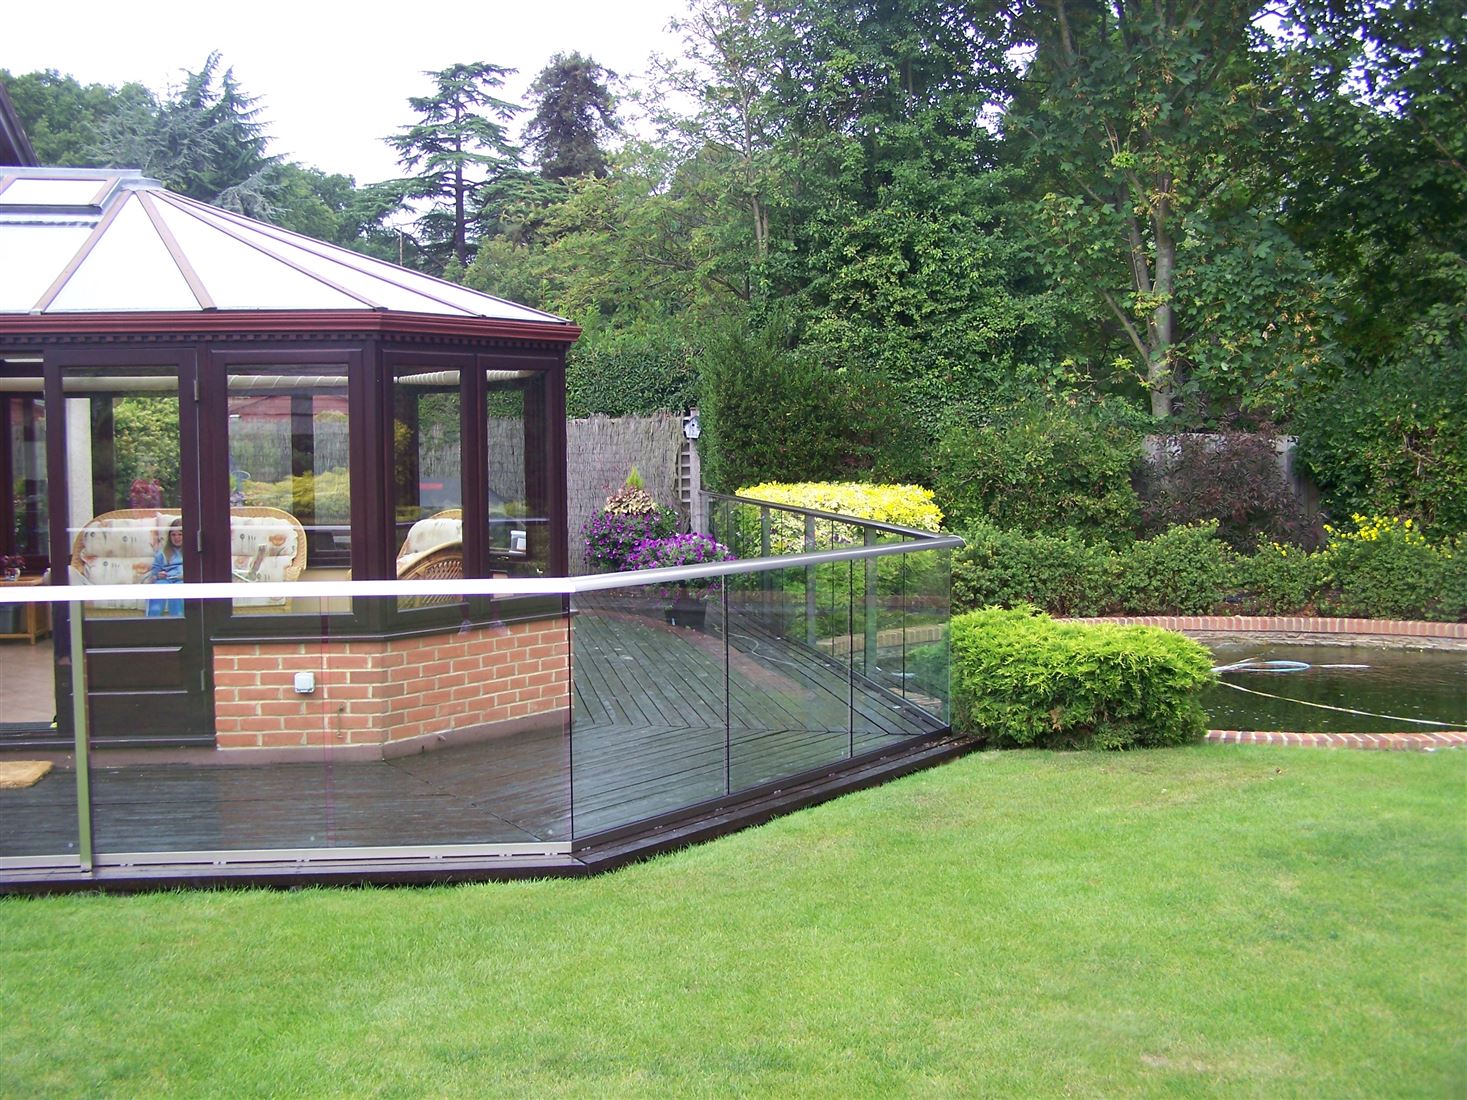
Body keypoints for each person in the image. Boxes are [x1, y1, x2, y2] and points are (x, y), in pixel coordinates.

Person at [146, 518, 185, 617]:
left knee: (177, 590)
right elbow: (153, 575)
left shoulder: (191, 552)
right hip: (165, 580)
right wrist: (158, 576)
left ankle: (178, 622)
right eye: (173, 535)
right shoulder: (162, 553)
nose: (176, 538)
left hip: (182, 581)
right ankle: (152, 623)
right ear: (169, 536)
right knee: (159, 587)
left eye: (180, 534)